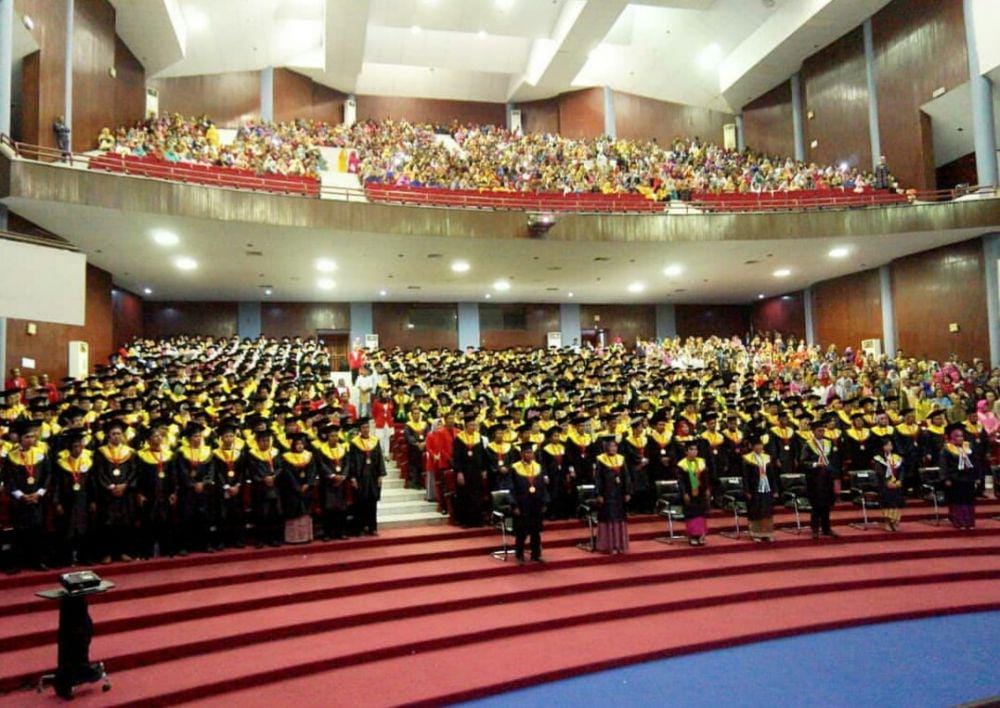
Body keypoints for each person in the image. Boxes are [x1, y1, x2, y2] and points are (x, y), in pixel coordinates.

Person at [4, 420, 51, 571]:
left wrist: (39, 493)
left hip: (37, 498)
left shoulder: (41, 455)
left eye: (32, 437)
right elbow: (8, 479)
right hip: (19, 500)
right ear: (20, 439)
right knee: (19, 531)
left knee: (37, 530)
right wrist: (20, 495)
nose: (30, 440)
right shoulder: (11, 457)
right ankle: (16, 563)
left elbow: (47, 475)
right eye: (26, 437)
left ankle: (38, 560)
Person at [93, 419, 136, 563]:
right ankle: (107, 553)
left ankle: (123, 552)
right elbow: (99, 473)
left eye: (119, 433)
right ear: (108, 436)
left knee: (124, 523)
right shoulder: (101, 452)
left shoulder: (129, 452)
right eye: (114, 434)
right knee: (107, 523)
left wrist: (125, 485)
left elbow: (134, 472)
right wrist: (110, 487)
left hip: (125, 493)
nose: (117, 436)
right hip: (108, 495)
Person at [51, 430, 94, 566]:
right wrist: (57, 502)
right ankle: (65, 558)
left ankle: (84, 557)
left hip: (84, 500)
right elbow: (56, 485)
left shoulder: (88, 463)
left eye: (80, 446)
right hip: (67, 501)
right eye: (75, 447)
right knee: (67, 530)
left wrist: (93, 500)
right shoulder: (61, 464)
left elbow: (92, 485)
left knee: (84, 529)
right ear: (69, 448)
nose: (78, 449)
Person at [134, 424, 177, 558]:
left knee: (166, 522)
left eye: (160, 436)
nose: (158, 438)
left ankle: (166, 551)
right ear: (148, 440)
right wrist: (139, 493)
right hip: (148, 494)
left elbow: (173, 475)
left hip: (165, 493)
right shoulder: (141, 456)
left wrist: (174, 492)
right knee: (148, 523)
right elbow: (138, 476)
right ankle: (147, 553)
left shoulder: (169, 455)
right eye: (155, 436)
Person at [175, 423, 219, 553]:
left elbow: (211, 471)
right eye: (194, 436)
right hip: (187, 491)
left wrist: (203, 483)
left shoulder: (207, 451)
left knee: (205, 516)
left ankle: (206, 544)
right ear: (189, 438)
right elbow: (181, 471)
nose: (198, 438)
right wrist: (192, 484)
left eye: (199, 435)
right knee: (187, 517)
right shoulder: (182, 452)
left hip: (204, 490)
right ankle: (185, 546)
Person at [506, 443, 547, 564]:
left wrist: (544, 502)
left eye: (531, 452)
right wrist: (514, 505)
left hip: (536, 503)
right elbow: (510, 488)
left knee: (536, 531)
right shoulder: (514, 468)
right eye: (527, 453)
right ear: (522, 454)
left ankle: (536, 554)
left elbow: (543, 487)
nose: (530, 455)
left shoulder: (538, 467)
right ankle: (519, 554)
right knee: (521, 531)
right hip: (522, 504)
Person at [799, 418, 838, 539]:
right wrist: (815, 464)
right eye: (819, 431)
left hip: (827, 478)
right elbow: (803, 462)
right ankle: (815, 529)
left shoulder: (828, 443)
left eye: (823, 430)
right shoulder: (808, 445)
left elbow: (833, 459)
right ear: (814, 432)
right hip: (815, 479)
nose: (822, 433)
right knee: (816, 505)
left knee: (827, 504)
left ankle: (827, 528)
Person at [246, 429, 283, 547]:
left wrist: (274, 477)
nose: (265, 443)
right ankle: (260, 540)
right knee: (261, 514)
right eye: (262, 440)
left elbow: (280, 468)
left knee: (274, 514)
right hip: (260, 489)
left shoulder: (275, 452)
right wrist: (264, 479)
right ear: (257, 442)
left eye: (267, 440)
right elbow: (252, 470)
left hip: (275, 487)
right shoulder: (252, 454)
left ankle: (273, 538)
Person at [348, 418, 385, 536]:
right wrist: (352, 477)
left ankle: (372, 527)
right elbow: (351, 462)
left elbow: (380, 459)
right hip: (360, 477)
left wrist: (380, 475)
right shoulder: (354, 443)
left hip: (373, 477)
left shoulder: (375, 441)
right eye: (363, 428)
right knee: (360, 503)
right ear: (360, 429)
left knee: (372, 502)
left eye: (367, 427)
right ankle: (359, 528)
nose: (366, 430)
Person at [593, 437, 631, 554]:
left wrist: (627, 492)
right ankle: (609, 545)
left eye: (615, 446)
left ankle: (620, 545)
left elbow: (626, 477)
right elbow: (598, 478)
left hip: (619, 494)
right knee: (609, 518)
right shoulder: (601, 460)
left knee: (619, 518)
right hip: (607, 494)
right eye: (611, 446)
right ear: (606, 448)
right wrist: (599, 493)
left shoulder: (621, 459)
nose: (613, 448)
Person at [279, 432, 317, 544]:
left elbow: (312, 471)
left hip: (306, 489)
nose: (300, 446)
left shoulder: (309, 455)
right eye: (297, 444)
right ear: (293, 445)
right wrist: (297, 486)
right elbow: (287, 474)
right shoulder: (287, 457)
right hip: (292, 491)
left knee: (306, 512)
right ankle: (294, 538)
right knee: (294, 512)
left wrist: (308, 484)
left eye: (302, 443)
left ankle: (306, 537)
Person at [314, 423, 350, 540]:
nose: (334, 438)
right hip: (328, 483)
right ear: (327, 437)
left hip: (341, 483)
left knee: (341, 508)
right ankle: (328, 533)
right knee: (328, 509)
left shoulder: (343, 449)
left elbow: (347, 464)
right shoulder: (321, 450)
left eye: (336, 436)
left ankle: (341, 532)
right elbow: (321, 465)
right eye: (332, 436)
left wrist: (343, 475)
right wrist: (333, 475)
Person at [939, 423, 977, 529]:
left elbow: (975, 462)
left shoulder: (968, 447)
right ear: (951, 437)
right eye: (957, 436)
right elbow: (943, 465)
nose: (960, 438)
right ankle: (959, 522)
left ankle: (969, 522)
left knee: (969, 500)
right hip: (955, 478)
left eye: (961, 436)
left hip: (968, 478)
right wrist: (945, 478)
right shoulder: (946, 449)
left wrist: (976, 476)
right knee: (958, 501)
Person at [452, 415, 487, 527]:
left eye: (475, 425)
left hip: (476, 472)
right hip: (465, 472)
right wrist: (459, 472)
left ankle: (477, 520)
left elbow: (483, 455)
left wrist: (483, 469)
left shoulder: (479, 438)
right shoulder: (459, 438)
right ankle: (465, 521)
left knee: (477, 495)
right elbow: (456, 457)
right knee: (465, 496)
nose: (474, 427)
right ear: (466, 426)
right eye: (471, 425)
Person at [742, 434, 777, 542]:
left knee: (767, 509)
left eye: (760, 445)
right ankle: (756, 533)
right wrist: (747, 490)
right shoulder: (747, 459)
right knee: (756, 510)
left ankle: (767, 533)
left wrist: (774, 489)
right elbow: (745, 476)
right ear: (752, 446)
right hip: (754, 487)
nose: (759, 447)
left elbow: (772, 475)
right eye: (757, 445)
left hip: (766, 486)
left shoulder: (767, 457)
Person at [677, 440, 709, 546]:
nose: (694, 451)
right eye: (691, 449)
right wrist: (684, 493)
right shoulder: (681, 465)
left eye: (696, 449)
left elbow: (706, 478)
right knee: (692, 516)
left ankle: (701, 535)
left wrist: (707, 489)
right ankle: (692, 536)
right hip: (689, 493)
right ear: (686, 451)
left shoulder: (701, 462)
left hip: (700, 492)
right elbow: (680, 481)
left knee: (701, 515)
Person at [873, 437, 905, 531]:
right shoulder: (878, 459)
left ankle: (895, 522)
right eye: (887, 445)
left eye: (891, 444)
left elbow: (902, 470)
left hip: (896, 484)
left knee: (897, 502)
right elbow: (879, 473)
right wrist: (887, 482)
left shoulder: (896, 458)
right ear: (883, 447)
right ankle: (887, 522)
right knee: (887, 503)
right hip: (884, 485)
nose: (889, 446)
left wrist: (900, 480)